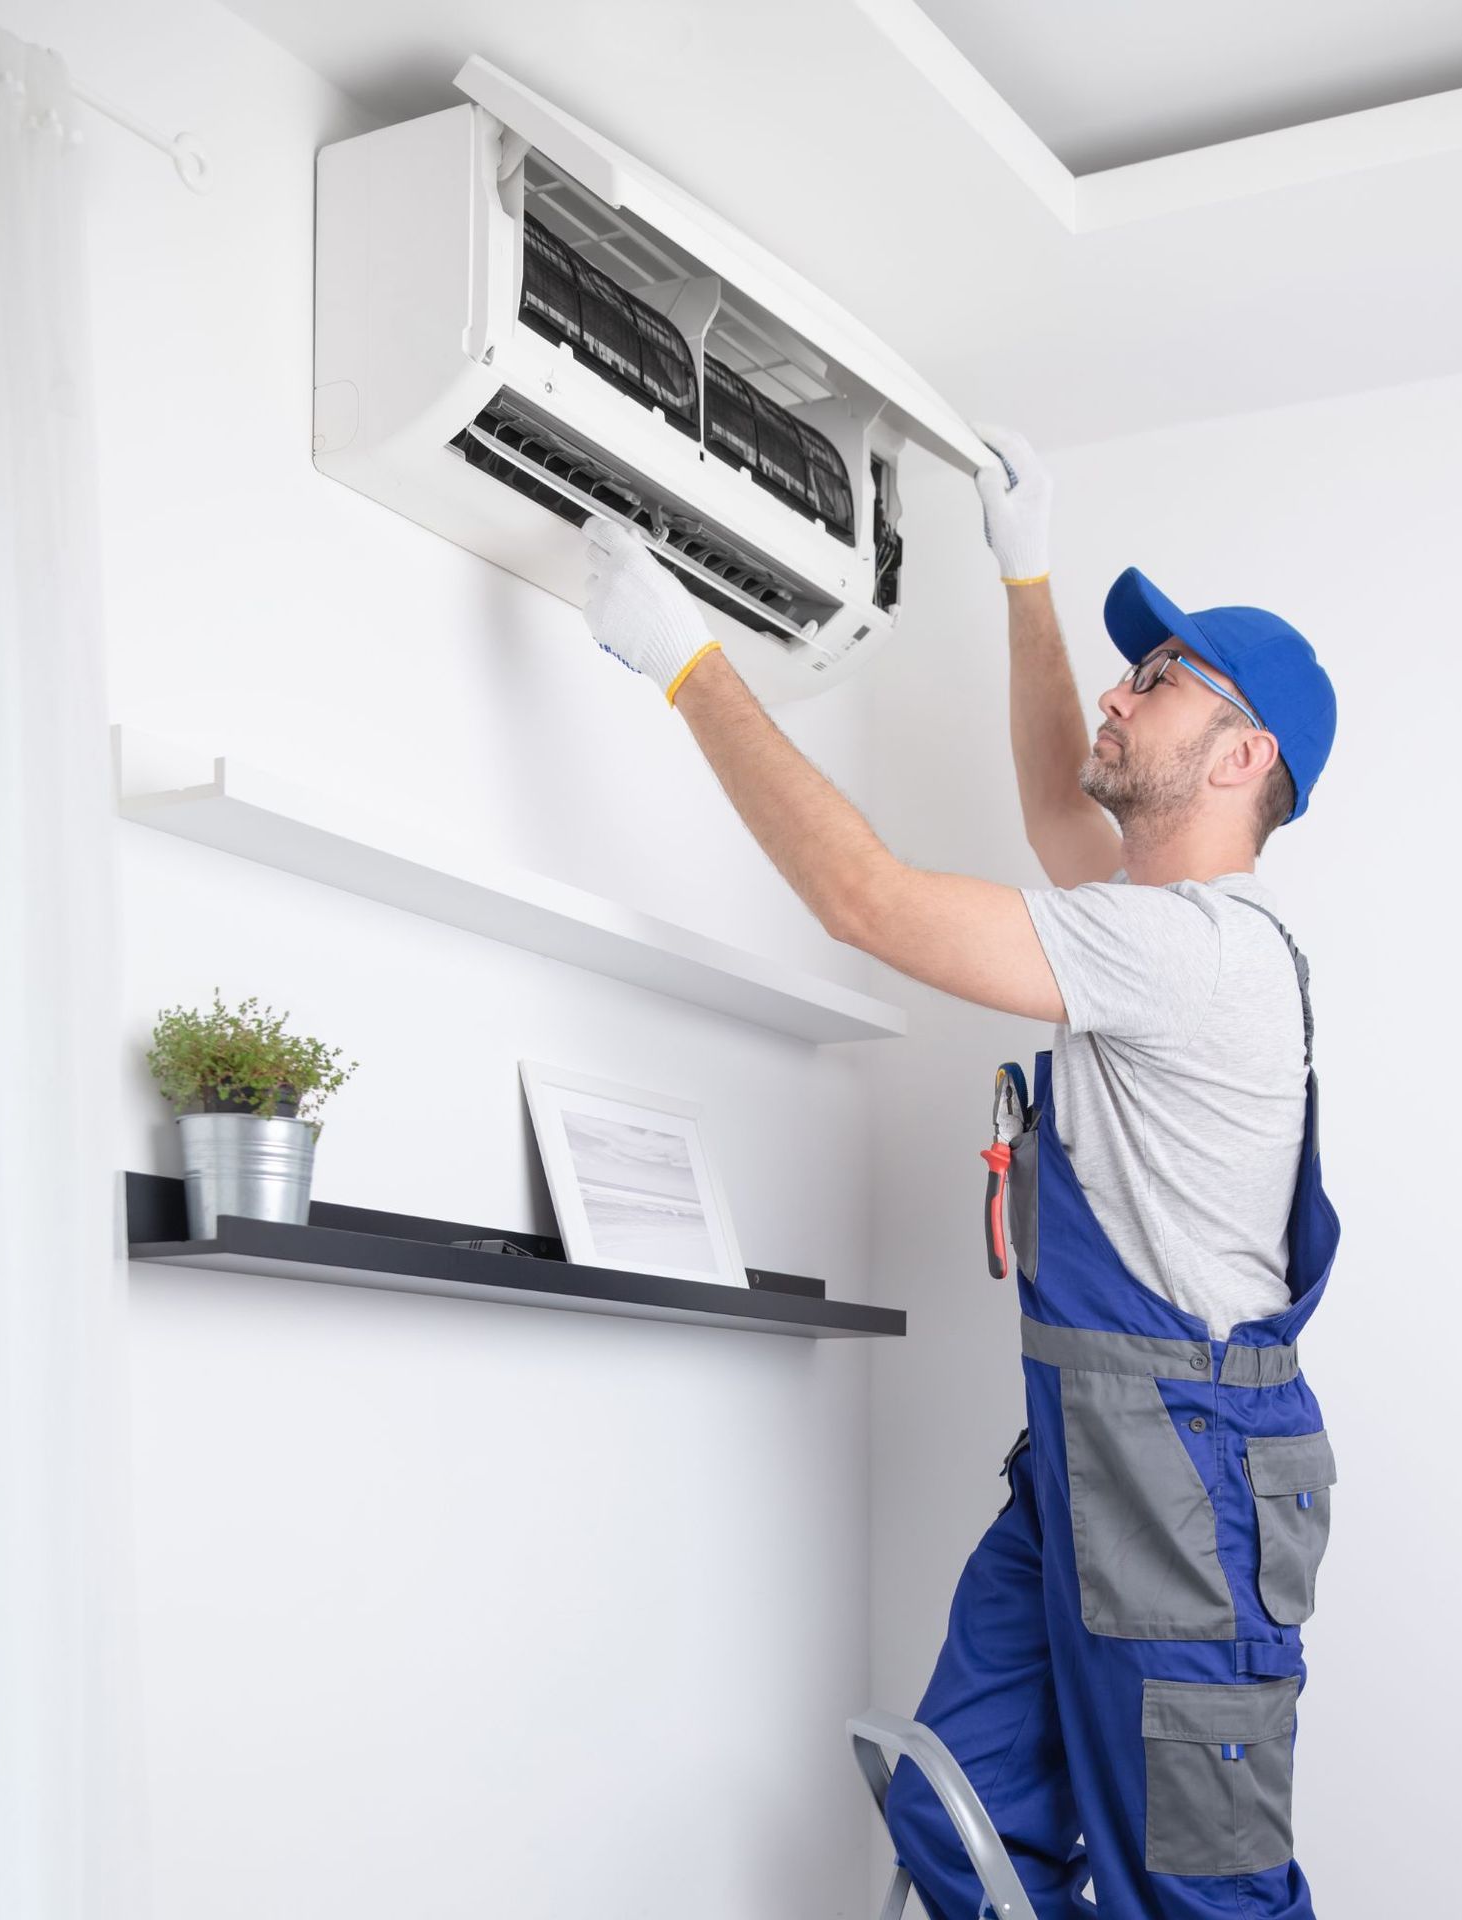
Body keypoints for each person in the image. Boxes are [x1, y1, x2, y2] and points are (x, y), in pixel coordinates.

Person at [576, 424, 1342, 1920]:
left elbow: (864, 901)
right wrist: (1025, 577)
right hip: (1094, 1461)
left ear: (1243, 756)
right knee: (961, 1811)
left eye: (1157, 680)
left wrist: (689, 665)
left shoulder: (1197, 955)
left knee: (1205, 1897)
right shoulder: (1149, 934)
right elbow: (1065, 817)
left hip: (1191, 1491)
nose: (1117, 695)